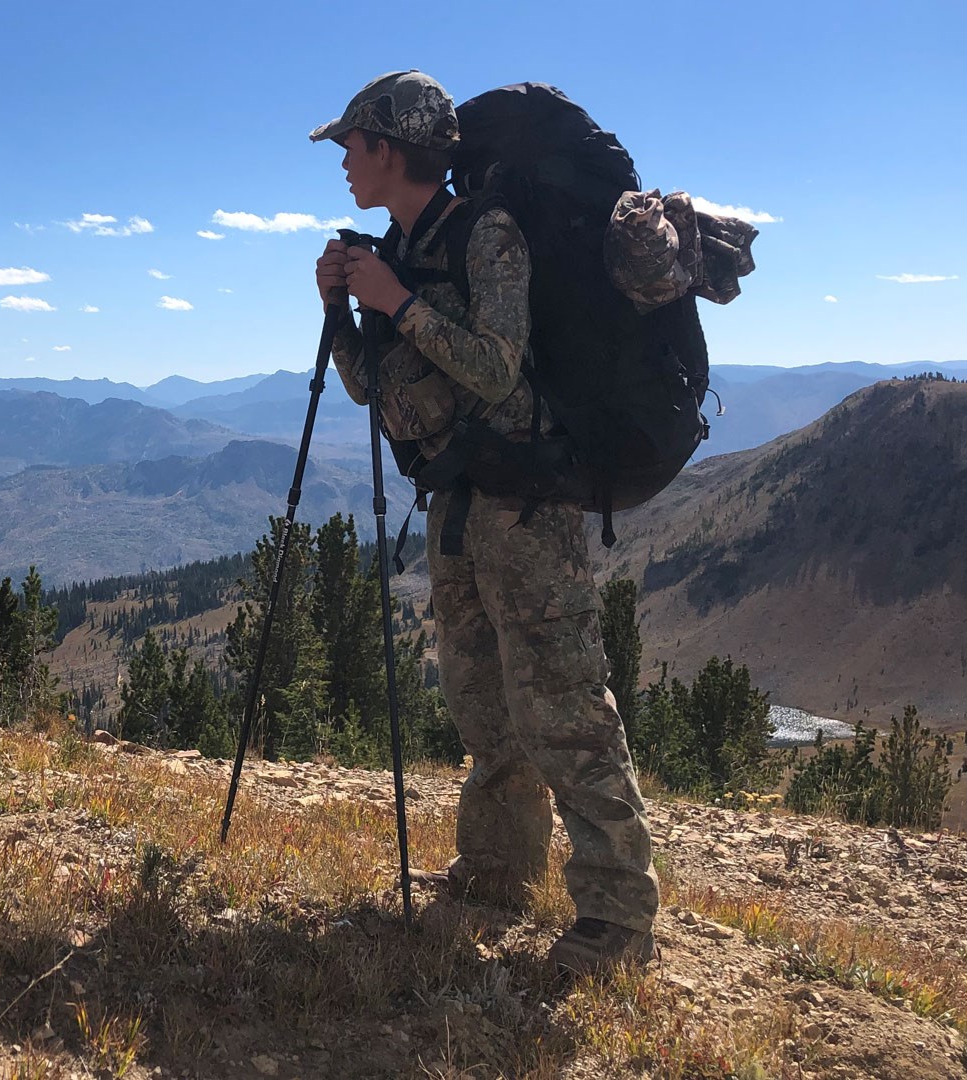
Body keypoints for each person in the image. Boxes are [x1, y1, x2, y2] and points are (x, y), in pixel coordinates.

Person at [310, 70, 659, 976]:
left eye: (352, 145)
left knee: (564, 707)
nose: (344, 162)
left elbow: (497, 371)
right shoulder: (402, 244)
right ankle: (500, 869)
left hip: (525, 507)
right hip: (460, 502)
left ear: (388, 147)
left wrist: (396, 301)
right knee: (482, 704)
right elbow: (377, 385)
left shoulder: (485, 235)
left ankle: (618, 916)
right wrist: (346, 315)